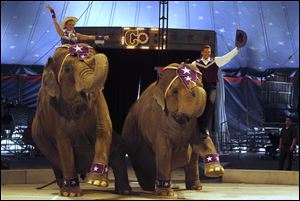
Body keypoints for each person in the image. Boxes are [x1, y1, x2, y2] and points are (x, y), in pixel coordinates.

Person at [192, 30, 247, 140]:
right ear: (202, 52)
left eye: (209, 51)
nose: (208, 53)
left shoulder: (215, 61)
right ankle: (197, 128)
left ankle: (204, 130)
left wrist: (237, 49)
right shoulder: (195, 63)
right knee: (198, 107)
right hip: (200, 87)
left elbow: (227, 57)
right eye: (206, 52)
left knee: (209, 107)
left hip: (212, 87)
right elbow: (189, 71)